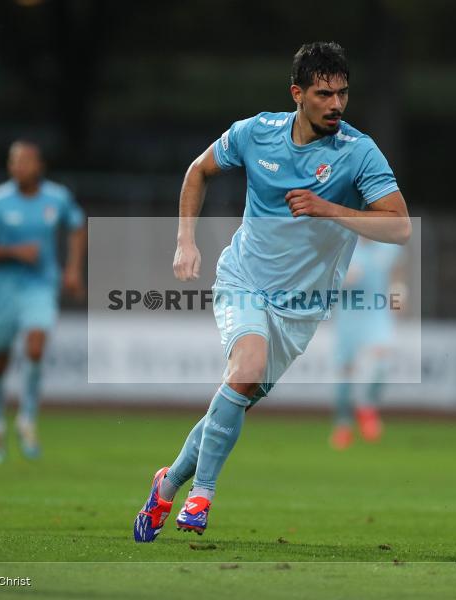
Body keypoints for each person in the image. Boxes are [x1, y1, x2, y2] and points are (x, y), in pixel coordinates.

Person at [133, 41, 411, 542]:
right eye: (324, 94)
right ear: (297, 94)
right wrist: (184, 242)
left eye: (343, 93)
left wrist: (329, 208)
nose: (336, 105)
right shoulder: (255, 133)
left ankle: (169, 481)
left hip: (302, 309)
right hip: (244, 280)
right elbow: (198, 171)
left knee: (237, 393)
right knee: (247, 368)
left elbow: (399, 227)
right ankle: (203, 496)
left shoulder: (358, 152)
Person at [0, 141, 86, 463]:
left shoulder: (57, 197)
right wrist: (14, 252)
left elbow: (77, 227)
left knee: (36, 347)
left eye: (24, 161)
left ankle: (27, 419)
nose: (18, 167)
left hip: (40, 286)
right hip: (4, 289)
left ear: (39, 165)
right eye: (13, 161)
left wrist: (73, 269)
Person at [330, 236, 404, 449]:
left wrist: (400, 294)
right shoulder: (343, 248)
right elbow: (327, 280)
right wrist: (343, 280)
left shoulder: (388, 248)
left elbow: (397, 274)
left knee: (382, 360)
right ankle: (343, 425)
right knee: (345, 371)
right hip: (348, 315)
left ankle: (367, 406)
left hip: (377, 312)